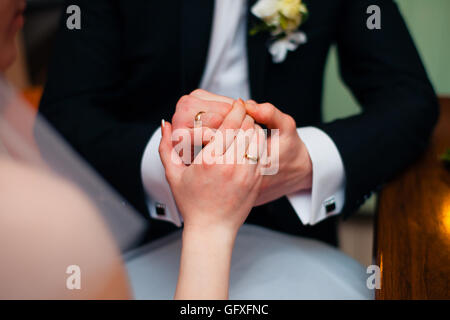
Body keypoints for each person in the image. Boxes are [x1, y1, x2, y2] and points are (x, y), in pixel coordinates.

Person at [39, 0, 439, 247]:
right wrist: (169, 169)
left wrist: (305, 163)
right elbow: (64, 115)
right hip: (145, 229)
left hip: (291, 227)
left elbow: (410, 99)